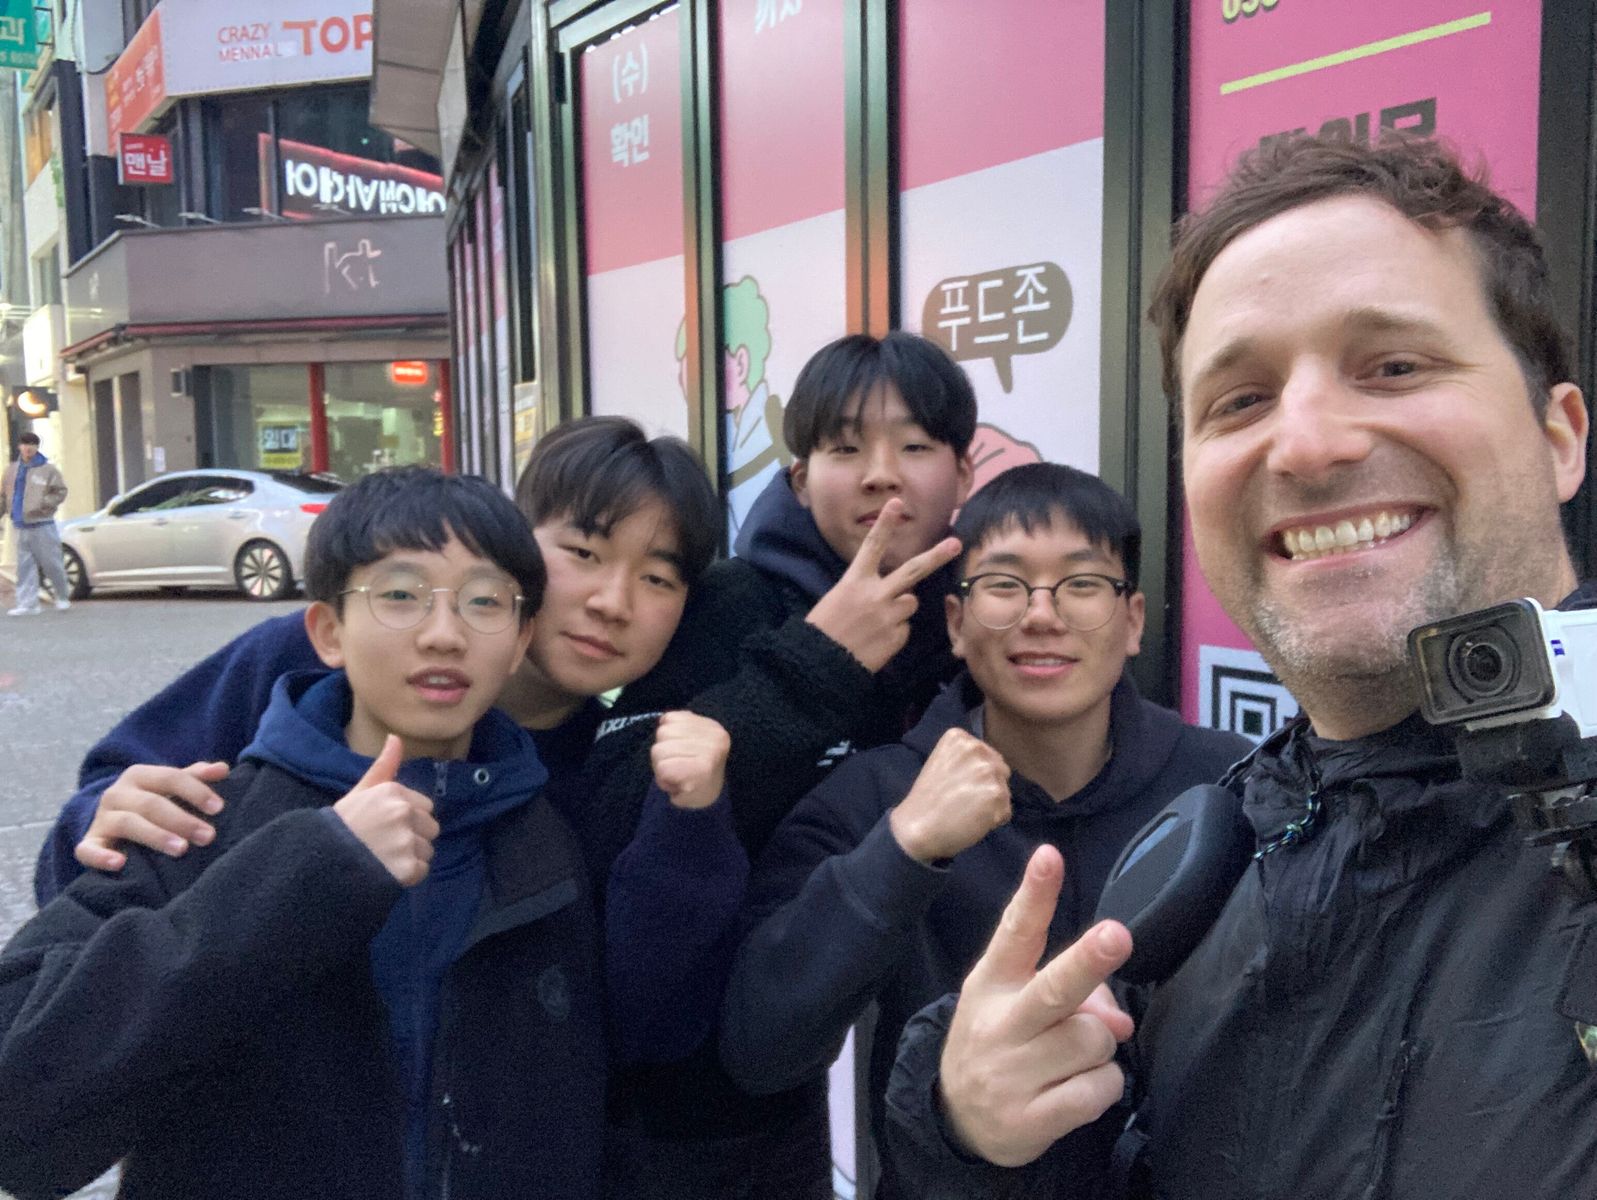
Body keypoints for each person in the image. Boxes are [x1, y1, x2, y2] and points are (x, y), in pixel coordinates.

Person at [883, 135, 1597, 1199]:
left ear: (1558, 436)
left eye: (1393, 366)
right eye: (1240, 400)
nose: (1305, 444)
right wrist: (975, 1136)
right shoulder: (1206, 872)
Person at [0, 467, 611, 1199]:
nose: (444, 634)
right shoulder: (202, 819)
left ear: (518, 642)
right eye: (399, 595)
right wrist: (307, 873)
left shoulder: (546, 844)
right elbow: (20, 1115)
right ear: (327, 631)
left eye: (483, 602)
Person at [718, 463, 1249, 1198]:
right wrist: (902, 850)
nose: (1042, 614)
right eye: (1004, 584)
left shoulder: (1229, 783)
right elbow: (759, 1045)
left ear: (1132, 621)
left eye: (1081, 583)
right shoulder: (877, 795)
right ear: (955, 623)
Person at [579, 330, 976, 1196]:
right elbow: (607, 813)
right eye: (845, 448)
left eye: (915, 445)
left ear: (964, 472)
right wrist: (817, 663)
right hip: (689, 1104)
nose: (880, 475)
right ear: (799, 479)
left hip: (918, 1062)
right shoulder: (728, 606)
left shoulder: (975, 620)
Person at [32, 416, 721, 906]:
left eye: (657, 578)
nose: (612, 602)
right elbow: (96, 826)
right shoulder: (306, 660)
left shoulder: (611, 768)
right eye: (583, 553)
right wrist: (101, 821)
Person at [3, 430, 72, 616]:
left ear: (37, 447)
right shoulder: (11, 470)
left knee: (52, 563)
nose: (28, 448)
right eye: (25, 444)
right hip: (20, 524)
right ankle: (28, 603)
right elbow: (4, 495)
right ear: (19, 446)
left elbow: (60, 491)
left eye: (32, 445)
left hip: (43, 524)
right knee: (24, 566)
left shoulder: (48, 470)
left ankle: (62, 596)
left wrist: (44, 504)